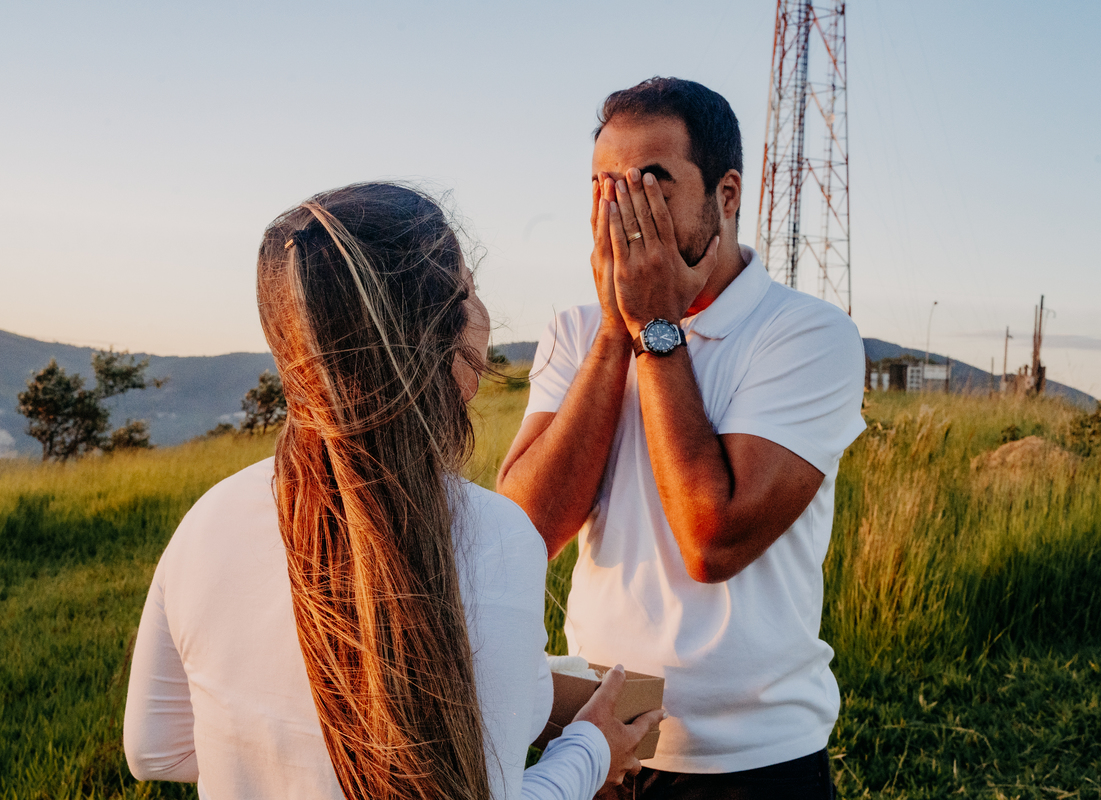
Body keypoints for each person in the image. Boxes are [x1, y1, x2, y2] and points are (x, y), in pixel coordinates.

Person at [123, 182, 663, 800]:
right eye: (470, 289)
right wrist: (592, 749)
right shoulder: (492, 537)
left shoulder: (207, 520)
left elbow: (154, 749)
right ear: (445, 333)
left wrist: (278, 746)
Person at [496, 78, 866, 799]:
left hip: (752, 762)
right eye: (603, 187)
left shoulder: (808, 334)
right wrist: (616, 329)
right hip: (601, 736)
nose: (621, 210)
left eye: (650, 182)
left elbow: (711, 539)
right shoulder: (576, 331)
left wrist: (657, 331)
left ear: (726, 196)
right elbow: (523, 532)